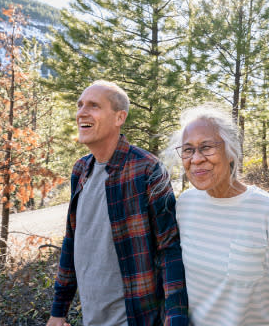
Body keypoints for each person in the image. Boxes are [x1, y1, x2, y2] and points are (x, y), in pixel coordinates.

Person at [48, 80, 188, 326]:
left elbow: (169, 248)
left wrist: (175, 316)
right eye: (80, 105)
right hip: (91, 319)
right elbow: (71, 241)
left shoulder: (147, 168)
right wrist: (58, 311)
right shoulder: (81, 169)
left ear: (119, 117)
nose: (81, 112)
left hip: (136, 319)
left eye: (93, 106)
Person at [169, 104, 269, 326]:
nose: (196, 159)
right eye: (188, 150)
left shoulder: (268, 213)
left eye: (207, 147)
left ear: (230, 151)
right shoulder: (185, 205)